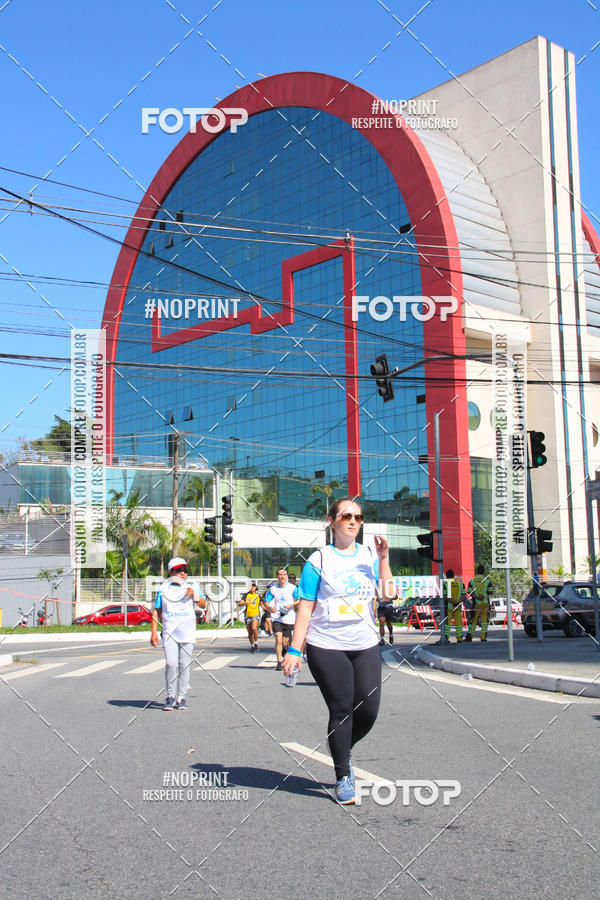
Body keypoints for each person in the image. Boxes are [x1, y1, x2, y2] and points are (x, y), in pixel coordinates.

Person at [282, 497, 394, 805]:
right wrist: (294, 649)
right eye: (346, 516)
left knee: (368, 711)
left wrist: (383, 559)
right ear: (332, 521)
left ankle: (342, 747)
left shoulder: (370, 555)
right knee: (342, 709)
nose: (353, 521)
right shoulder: (318, 561)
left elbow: (387, 594)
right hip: (327, 645)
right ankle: (343, 775)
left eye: (358, 517)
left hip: (365, 643)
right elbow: (306, 606)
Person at [151, 557, 206, 710]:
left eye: (184, 570)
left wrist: (194, 595)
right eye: (179, 570)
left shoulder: (191, 586)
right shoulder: (163, 588)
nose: (182, 573)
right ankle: (169, 696)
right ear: (171, 572)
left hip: (187, 632)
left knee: (184, 665)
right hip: (169, 632)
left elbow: (203, 603)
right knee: (171, 663)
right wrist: (154, 632)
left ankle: (181, 697)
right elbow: (157, 610)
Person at [264, 568, 297, 670]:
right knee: (278, 637)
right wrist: (270, 608)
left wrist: (291, 604)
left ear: (286, 576)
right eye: (280, 575)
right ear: (277, 576)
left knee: (286, 643)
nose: (282, 576)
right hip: (277, 617)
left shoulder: (292, 588)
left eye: (284, 574)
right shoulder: (273, 589)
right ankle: (279, 662)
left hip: (289, 617)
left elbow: (300, 600)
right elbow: (265, 602)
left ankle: (284, 651)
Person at [465, 564, 493, 642]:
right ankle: (483, 637)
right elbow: (490, 592)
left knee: (473, 620)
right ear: (483, 572)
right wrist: (484, 595)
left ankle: (469, 637)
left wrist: (476, 597)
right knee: (484, 621)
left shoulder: (472, 581)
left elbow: (470, 593)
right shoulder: (487, 581)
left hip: (476, 604)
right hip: (485, 604)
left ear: (476, 572)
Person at [239, 581, 261, 652]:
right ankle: (252, 645)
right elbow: (240, 603)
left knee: (254, 628)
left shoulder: (258, 595)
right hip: (248, 615)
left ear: (256, 587)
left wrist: (268, 609)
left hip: (256, 614)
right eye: (251, 586)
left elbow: (262, 603)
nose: (252, 587)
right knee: (250, 633)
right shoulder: (246, 595)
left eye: (254, 586)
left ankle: (256, 642)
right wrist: (245, 602)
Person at [444, 568, 465, 643]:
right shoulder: (460, 584)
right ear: (453, 575)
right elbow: (464, 595)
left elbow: (444, 595)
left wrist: (451, 601)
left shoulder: (445, 584)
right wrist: (458, 602)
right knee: (458, 622)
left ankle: (446, 638)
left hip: (449, 606)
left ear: (447, 576)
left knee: (447, 623)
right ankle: (459, 638)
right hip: (458, 605)